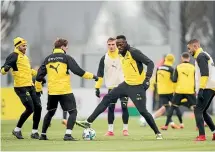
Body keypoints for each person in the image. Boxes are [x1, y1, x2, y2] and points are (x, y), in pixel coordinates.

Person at [77, 35, 163, 139]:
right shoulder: (119, 54)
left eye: (121, 44)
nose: (119, 46)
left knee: (143, 112)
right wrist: (98, 85)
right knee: (107, 98)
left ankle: (158, 133)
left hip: (137, 87)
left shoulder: (133, 52)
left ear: (126, 43)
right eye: (118, 45)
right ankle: (88, 121)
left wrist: (147, 80)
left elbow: (150, 63)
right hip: (126, 85)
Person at [35, 38, 98, 141]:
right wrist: (93, 76)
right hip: (64, 90)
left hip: (52, 91)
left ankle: (43, 134)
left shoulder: (47, 59)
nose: (67, 48)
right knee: (73, 112)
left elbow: (38, 76)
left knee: (50, 112)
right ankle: (68, 135)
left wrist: (38, 89)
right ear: (62, 47)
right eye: (66, 46)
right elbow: (78, 71)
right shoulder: (66, 58)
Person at [1, 37, 42, 139]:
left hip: (30, 85)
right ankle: (17, 130)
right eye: (23, 46)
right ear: (17, 46)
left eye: (26, 46)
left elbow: (29, 71)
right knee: (30, 108)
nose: (25, 48)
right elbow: (2, 70)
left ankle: (34, 132)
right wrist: (5, 69)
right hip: (21, 87)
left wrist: (40, 74)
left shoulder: (25, 57)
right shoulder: (13, 56)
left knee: (38, 107)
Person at [95, 37, 129, 136]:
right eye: (109, 45)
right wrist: (97, 87)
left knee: (124, 106)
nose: (111, 46)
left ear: (116, 44)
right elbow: (100, 74)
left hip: (123, 86)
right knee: (111, 108)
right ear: (107, 45)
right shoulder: (104, 58)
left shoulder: (123, 55)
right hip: (111, 87)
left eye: (113, 44)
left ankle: (125, 129)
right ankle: (110, 130)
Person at [140, 54, 182, 129]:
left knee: (165, 107)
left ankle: (170, 122)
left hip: (159, 90)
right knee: (169, 107)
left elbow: (156, 79)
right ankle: (146, 120)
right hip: (164, 90)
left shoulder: (159, 67)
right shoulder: (170, 68)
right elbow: (173, 80)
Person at [187, 39, 215, 141]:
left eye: (189, 48)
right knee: (203, 111)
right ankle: (214, 132)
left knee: (197, 110)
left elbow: (205, 74)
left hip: (206, 87)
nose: (189, 51)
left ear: (195, 46)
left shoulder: (200, 56)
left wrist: (201, 89)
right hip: (211, 86)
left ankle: (202, 136)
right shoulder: (204, 54)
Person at [161, 52, 196, 130]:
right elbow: (196, 79)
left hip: (179, 90)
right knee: (196, 108)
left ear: (181, 58)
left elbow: (174, 80)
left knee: (173, 107)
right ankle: (199, 125)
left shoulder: (178, 67)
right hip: (190, 90)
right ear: (189, 58)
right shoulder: (193, 67)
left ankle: (166, 125)